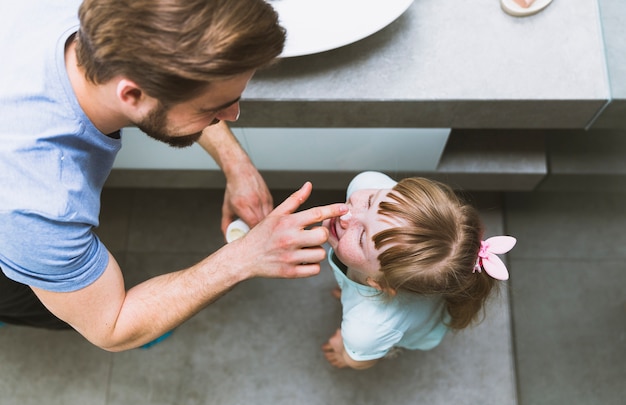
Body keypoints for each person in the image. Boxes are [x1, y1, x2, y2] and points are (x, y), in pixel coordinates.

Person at [0, 0, 348, 351]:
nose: (234, 114)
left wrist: (236, 165)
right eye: (214, 108)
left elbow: (174, 87)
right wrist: (245, 256)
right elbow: (114, 325)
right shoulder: (40, 203)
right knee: (32, 299)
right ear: (132, 94)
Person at [321, 172, 516, 370]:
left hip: (406, 327)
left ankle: (380, 333)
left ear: (380, 284)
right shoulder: (367, 183)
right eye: (371, 201)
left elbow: (361, 361)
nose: (348, 216)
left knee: (374, 336)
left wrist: (347, 354)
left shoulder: (366, 329)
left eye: (362, 237)